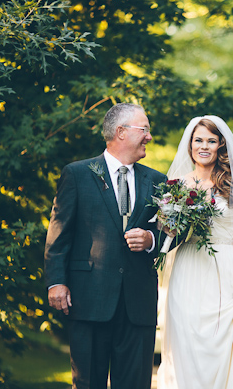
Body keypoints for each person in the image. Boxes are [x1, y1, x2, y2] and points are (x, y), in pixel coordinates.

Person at [44, 103, 167, 389]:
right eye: (144, 129)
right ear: (121, 132)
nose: (149, 136)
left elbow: (171, 234)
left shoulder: (158, 181)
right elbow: (59, 233)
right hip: (89, 299)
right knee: (88, 383)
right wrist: (56, 282)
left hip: (138, 303)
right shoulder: (77, 174)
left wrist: (151, 240)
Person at [157, 116, 233, 388]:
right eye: (198, 140)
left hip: (224, 268)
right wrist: (170, 221)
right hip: (188, 268)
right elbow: (168, 232)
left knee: (219, 347)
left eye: (211, 140)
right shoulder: (178, 185)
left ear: (220, 145)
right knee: (186, 341)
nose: (204, 146)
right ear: (190, 145)